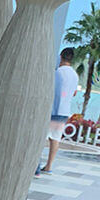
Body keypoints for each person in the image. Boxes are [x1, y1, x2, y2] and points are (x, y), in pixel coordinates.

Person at [36, 47, 79, 175]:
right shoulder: (75, 75)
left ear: (61, 57)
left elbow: (49, 89)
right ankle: (48, 167)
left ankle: (36, 168)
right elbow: (74, 93)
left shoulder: (57, 73)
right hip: (64, 112)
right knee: (55, 139)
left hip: (52, 110)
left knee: (41, 138)